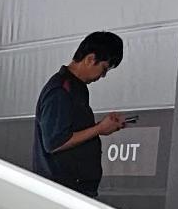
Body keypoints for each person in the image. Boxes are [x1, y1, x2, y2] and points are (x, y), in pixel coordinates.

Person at [33, 31, 129, 198]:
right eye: (103, 69)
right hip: (62, 193)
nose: (103, 76)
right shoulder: (60, 90)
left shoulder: (76, 88)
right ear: (90, 59)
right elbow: (55, 142)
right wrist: (99, 128)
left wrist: (102, 127)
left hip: (74, 190)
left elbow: (71, 132)